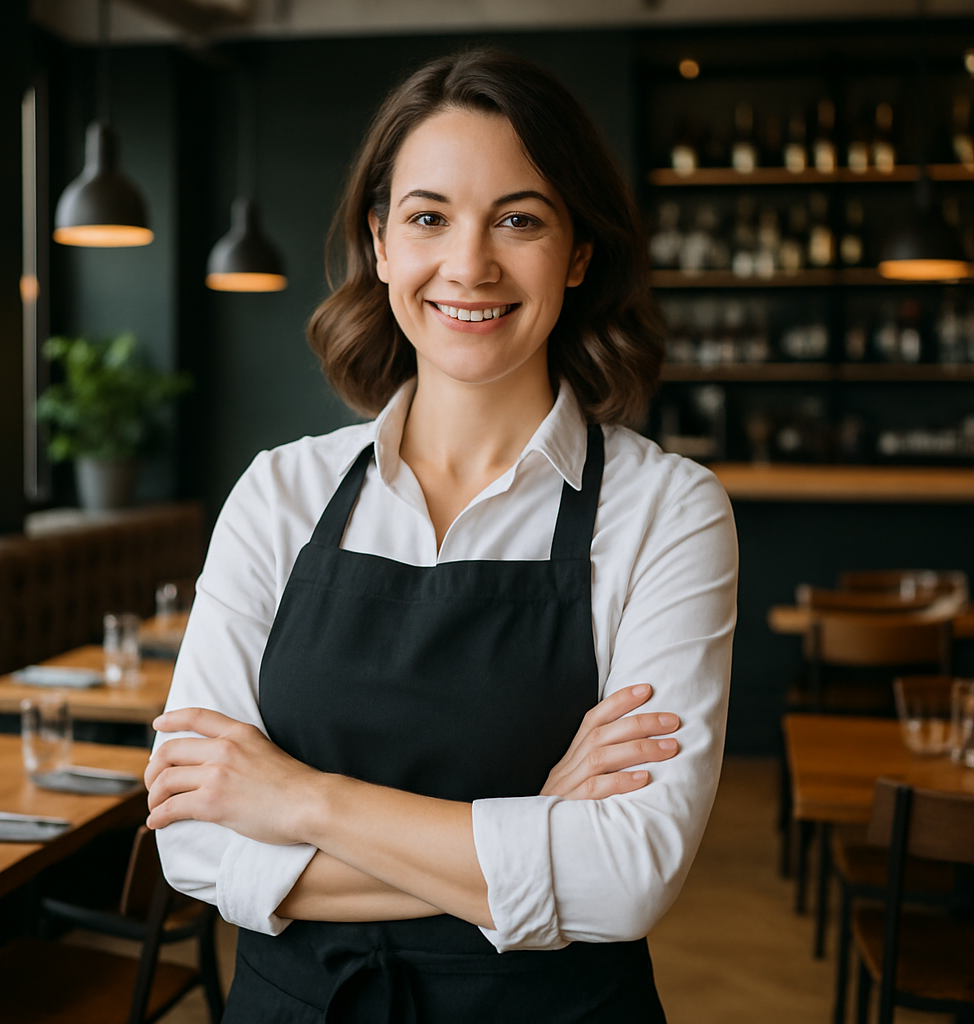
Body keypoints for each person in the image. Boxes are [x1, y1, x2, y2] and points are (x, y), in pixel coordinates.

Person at [145, 48, 737, 1023]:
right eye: (428, 216)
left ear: (578, 252)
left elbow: (629, 875)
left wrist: (299, 800)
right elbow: (194, 843)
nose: (469, 264)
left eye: (518, 218)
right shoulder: (277, 494)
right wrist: (540, 833)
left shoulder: (667, 511)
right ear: (379, 243)